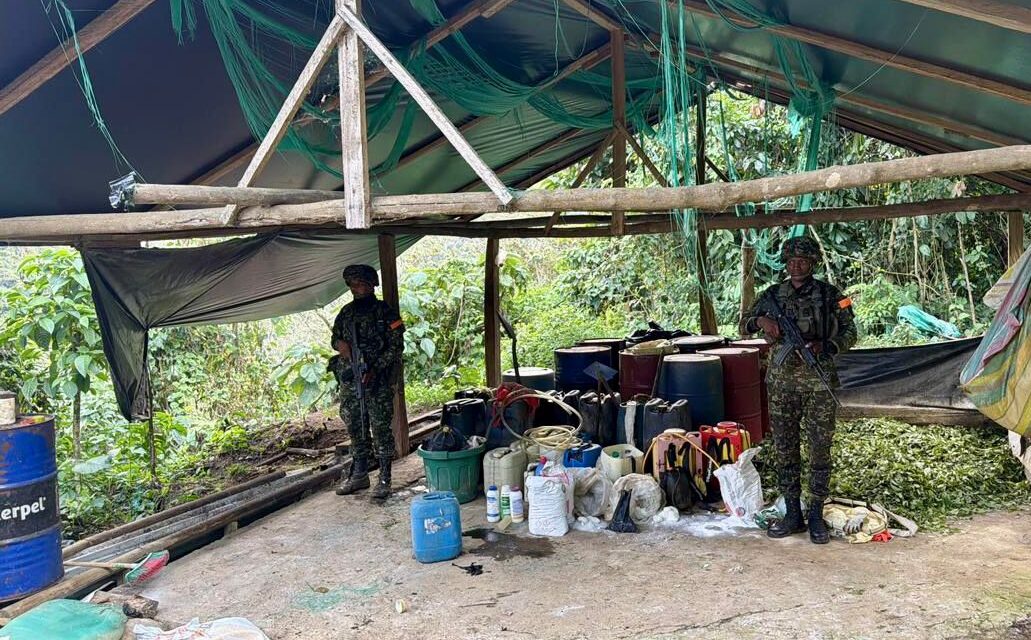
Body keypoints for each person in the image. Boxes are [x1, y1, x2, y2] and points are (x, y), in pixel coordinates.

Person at [740, 236, 856, 543]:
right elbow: (742, 324)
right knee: (785, 449)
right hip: (781, 385)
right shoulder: (771, 295)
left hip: (819, 383)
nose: (797, 265)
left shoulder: (832, 295)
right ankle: (793, 513)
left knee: (820, 449)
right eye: (791, 260)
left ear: (813, 262)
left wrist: (827, 346)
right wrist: (761, 322)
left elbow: (851, 330)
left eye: (803, 260)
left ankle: (815, 512)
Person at [331, 264, 405, 500]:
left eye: (362, 284)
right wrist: (340, 346)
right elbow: (335, 338)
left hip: (377, 380)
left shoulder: (385, 313)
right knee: (355, 426)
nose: (358, 289)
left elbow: (396, 347)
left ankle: (384, 478)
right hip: (351, 381)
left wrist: (374, 369)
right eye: (353, 285)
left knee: (381, 428)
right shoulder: (346, 313)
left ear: (373, 284)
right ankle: (360, 474)